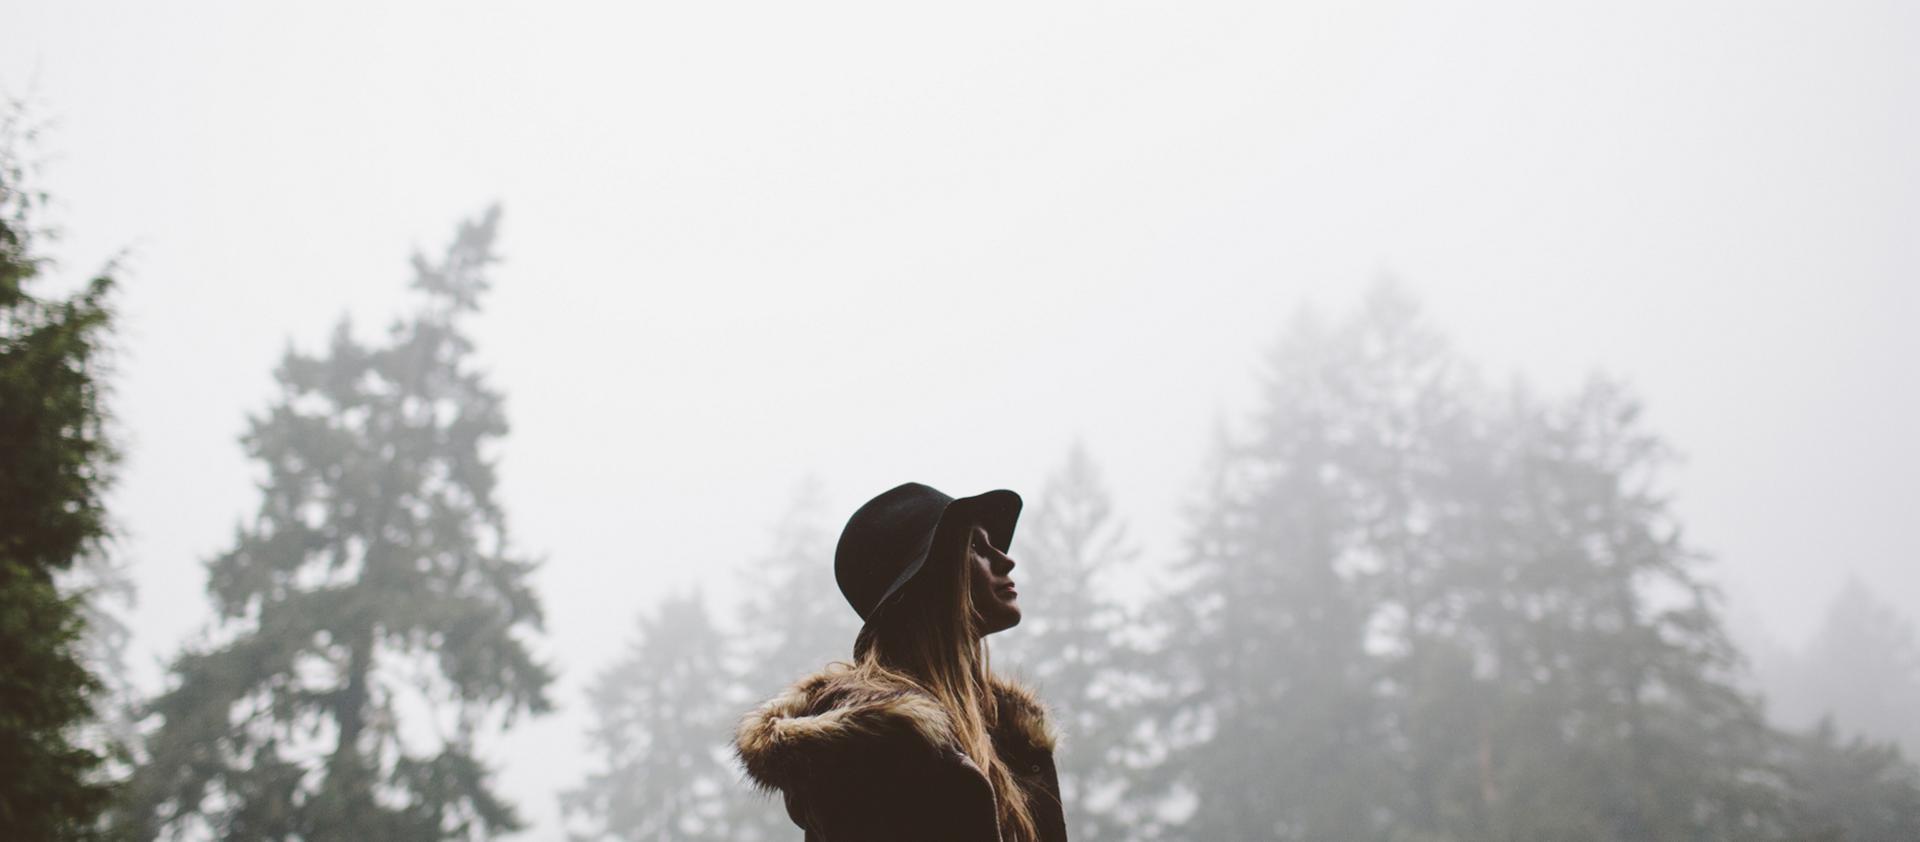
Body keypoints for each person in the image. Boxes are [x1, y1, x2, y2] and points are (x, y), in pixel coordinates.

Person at [733, 482, 1069, 842]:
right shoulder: (872, 745)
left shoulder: (1008, 735)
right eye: (975, 547)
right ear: (930, 579)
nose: (1006, 559)